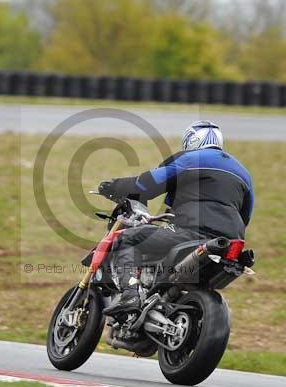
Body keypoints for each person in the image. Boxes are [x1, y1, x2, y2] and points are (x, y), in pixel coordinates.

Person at [97, 120, 254, 314]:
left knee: (126, 239)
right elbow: (246, 214)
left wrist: (115, 185)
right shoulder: (243, 172)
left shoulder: (190, 159)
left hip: (192, 232)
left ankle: (130, 294)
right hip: (231, 242)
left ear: (192, 141)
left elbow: (148, 183)